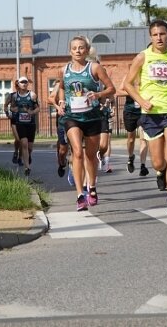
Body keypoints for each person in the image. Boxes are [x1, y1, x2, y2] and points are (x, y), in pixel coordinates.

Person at [123, 20, 167, 214]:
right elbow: (128, 84)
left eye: (162, 34)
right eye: (155, 35)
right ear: (150, 37)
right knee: (158, 162)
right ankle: (161, 172)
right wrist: (141, 101)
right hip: (151, 115)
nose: (159, 38)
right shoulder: (142, 57)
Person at [54, 36, 116, 211]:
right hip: (72, 116)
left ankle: (92, 187)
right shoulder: (63, 70)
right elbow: (63, 89)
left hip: (92, 116)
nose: (78, 51)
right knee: (77, 153)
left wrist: (97, 95)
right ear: (70, 51)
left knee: (90, 155)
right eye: (74, 48)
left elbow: (112, 88)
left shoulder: (95, 68)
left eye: (81, 48)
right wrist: (61, 103)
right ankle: (80, 195)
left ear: (87, 51)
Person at [121, 78, 150, 177]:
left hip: (143, 110)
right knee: (131, 139)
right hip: (130, 111)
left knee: (143, 138)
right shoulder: (129, 76)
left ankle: (143, 165)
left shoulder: (146, 74)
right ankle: (130, 157)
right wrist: (133, 93)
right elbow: (119, 91)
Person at [11, 77, 39, 176]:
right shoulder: (15, 96)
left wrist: (32, 112)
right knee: (24, 143)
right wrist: (14, 109)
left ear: (27, 84)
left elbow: (38, 108)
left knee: (30, 147)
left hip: (31, 124)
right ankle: (27, 167)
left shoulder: (32, 95)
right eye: (22, 82)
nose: (24, 84)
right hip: (20, 123)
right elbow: (12, 107)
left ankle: (28, 156)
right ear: (18, 84)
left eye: (25, 82)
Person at [48, 80, 70, 179]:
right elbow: (49, 99)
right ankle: (61, 161)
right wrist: (58, 107)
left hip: (77, 118)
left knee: (76, 148)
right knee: (62, 149)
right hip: (62, 118)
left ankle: (75, 173)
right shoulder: (59, 86)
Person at [4, 82, 23, 165]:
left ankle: (20, 158)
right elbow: (5, 105)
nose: (19, 87)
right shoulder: (11, 96)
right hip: (14, 120)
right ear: (16, 87)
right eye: (17, 86)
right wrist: (7, 114)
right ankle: (16, 152)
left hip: (24, 120)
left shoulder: (27, 95)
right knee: (18, 139)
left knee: (22, 140)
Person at [98, 97, 114, 173]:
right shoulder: (98, 91)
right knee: (98, 142)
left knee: (107, 141)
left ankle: (107, 163)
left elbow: (113, 100)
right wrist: (104, 106)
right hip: (97, 118)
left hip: (107, 119)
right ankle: (100, 157)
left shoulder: (110, 92)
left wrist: (112, 109)